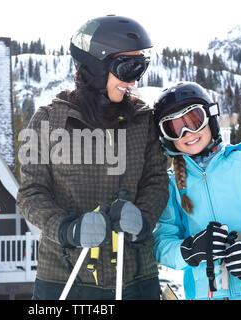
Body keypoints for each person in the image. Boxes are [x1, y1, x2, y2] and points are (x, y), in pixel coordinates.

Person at [17, 15, 169, 300]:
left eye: (141, 67)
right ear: (97, 67)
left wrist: (143, 218)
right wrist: (67, 229)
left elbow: (156, 181)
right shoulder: (49, 121)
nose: (134, 79)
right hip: (65, 277)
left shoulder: (143, 120)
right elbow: (30, 193)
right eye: (127, 67)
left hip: (136, 277)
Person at [152, 81, 241, 300]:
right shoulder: (171, 185)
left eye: (194, 120)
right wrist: (189, 250)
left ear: (210, 118)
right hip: (203, 294)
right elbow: (162, 241)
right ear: (167, 138)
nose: (188, 133)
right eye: (175, 127)